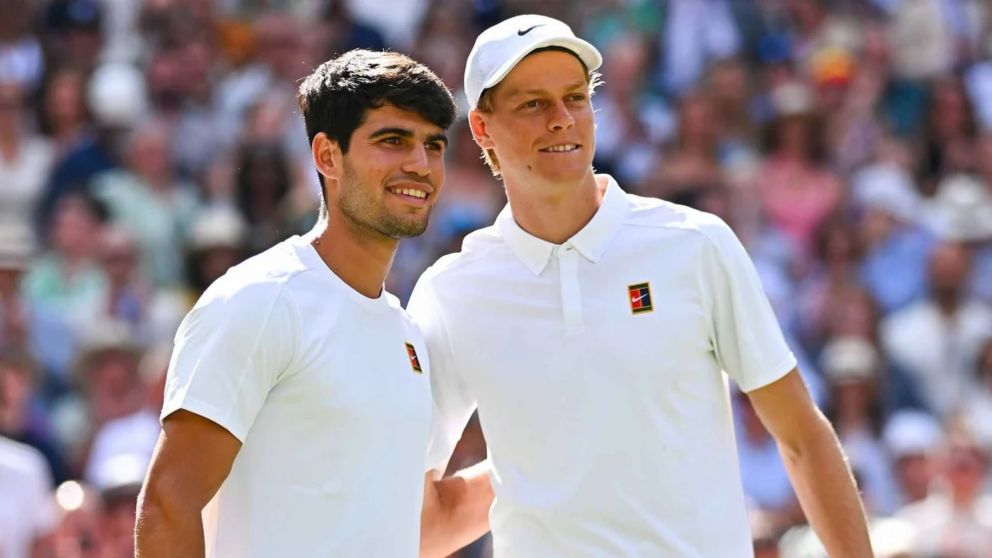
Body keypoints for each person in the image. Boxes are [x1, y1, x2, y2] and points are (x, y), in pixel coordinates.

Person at [408, 14, 873, 557]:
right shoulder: (451, 291)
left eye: (575, 98)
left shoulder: (696, 245)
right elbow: (421, 524)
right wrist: (538, 465)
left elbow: (803, 439)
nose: (562, 119)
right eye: (533, 104)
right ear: (483, 129)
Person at [135, 49, 489, 558]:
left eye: (433, 145)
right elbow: (169, 505)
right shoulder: (262, 299)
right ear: (327, 156)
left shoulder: (405, 333)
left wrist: (548, 456)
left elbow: (414, 532)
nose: (420, 164)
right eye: (393, 141)